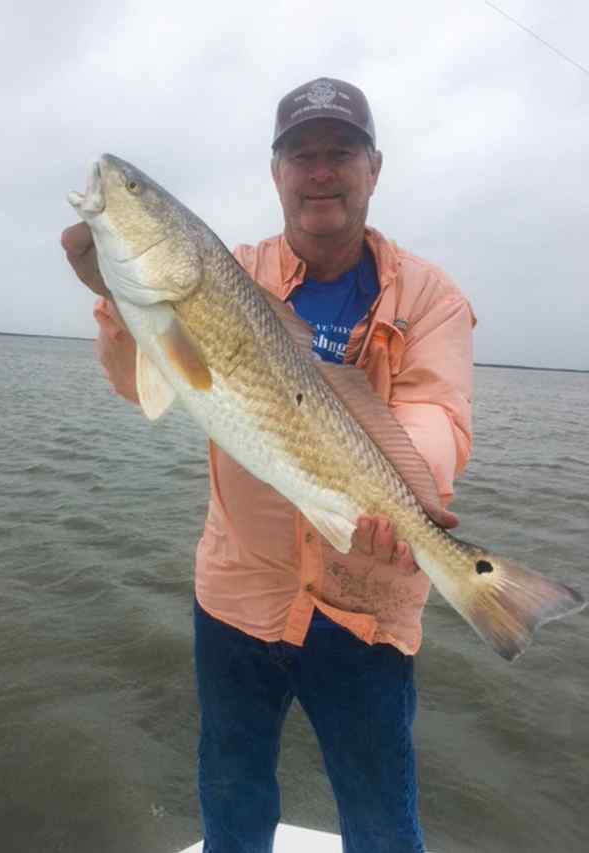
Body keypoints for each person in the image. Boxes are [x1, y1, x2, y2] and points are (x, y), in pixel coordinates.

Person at [62, 77, 475, 853]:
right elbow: (136, 385)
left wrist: (404, 507)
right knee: (231, 795)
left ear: (373, 168)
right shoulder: (230, 272)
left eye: (340, 153)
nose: (321, 171)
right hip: (236, 596)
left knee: (382, 816)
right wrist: (119, 301)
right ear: (276, 173)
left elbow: (436, 417)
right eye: (302, 155)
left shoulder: (432, 299)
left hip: (369, 605)